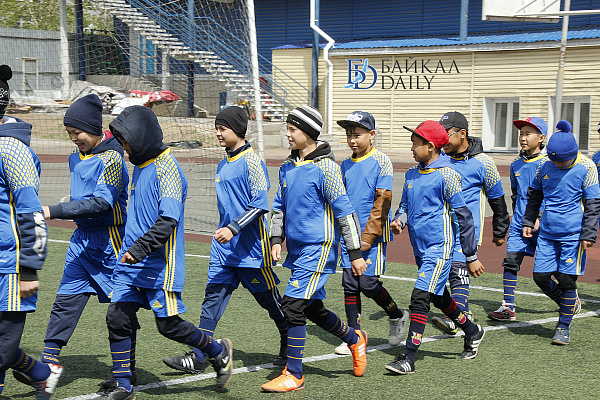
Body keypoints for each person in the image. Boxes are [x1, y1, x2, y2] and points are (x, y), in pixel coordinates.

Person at [105, 106, 233, 400]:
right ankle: (123, 382)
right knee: (117, 316)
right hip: (130, 261)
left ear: (141, 137)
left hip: (160, 264)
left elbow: (168, 220)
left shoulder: (168, 169)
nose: (124, 148)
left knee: (168, 326)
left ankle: (217, 351)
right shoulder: (140, 165)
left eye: (126, 142)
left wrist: (140, 249)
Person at [11, 94, 134, 393]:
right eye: (69, 133)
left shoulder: (112, 159)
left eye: (78, 132)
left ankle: (125, 377)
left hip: (111, 242)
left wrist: (53, 210)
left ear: (93, 128)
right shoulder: (75, 157)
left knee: (120, 313)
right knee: (65, 301)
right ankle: (48, 366)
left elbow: (102, 203)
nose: (74, 138)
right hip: (81, 242)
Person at [163, 106, 287, 374]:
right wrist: (226, 231)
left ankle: (291, 343)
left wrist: (233, 228)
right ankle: (198, 356)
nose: (218, 133)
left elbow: (259, 205)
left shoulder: (252, 161)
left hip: (251, 251)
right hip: (224, 250)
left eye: (223, 128)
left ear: (238, 130)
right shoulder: (222, 163)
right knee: (212, 301)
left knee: (270, 302)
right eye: (217, 128)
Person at [261, 106, 368, 392]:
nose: (287, 134)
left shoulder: (327, 169)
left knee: (292, 306)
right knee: (312, 309)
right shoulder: (287, 166)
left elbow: (345, 212)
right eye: (287, 128)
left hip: (319, 248)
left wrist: (354, 253)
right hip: (297, 251)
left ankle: (294, 373)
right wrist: (276, 239)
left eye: (292, 129)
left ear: (308, 133)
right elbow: (279, 207)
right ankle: (355, 339)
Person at [385, 120, 486, 375]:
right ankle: (472, 331)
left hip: (440, 249)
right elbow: (404, 206)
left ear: (430, 146)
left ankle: (408, 357)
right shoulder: (411, 174)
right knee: (440, 298)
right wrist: (399, 221)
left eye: (415, 143)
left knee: (420, 297)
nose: (411, 148)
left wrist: (471, 255)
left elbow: (464, 217)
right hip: (420, 249)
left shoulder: (447, 175)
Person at [0, 64, 62, 399]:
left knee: (2, 349)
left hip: (9, 268)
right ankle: (42, 374)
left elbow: (31, 214)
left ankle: (42, 374)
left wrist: (28, 269)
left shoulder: (12, 150)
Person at [332, 111, 408, 356]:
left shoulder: (382, 161)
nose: (352, 140)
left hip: (372, 235)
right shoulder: (345, 164)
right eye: (349, 135)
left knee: (368, 283)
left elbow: (382, 201)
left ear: (371, 135)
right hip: (349, 234)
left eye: (357, 134)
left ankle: (396, 315)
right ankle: (353, 337)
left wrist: (367, 237)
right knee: (349, 285)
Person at [430, 111, 509, 335]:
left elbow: (497, 198)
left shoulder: (483, 162)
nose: (442, 139)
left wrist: (500, 230)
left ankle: (456, 316)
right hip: (440, 228)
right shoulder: (438, 159)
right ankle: (461, 313)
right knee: (440, 273)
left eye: (446, 134)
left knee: (458, 270)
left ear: (463, 133)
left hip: (467, 230)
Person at [522, 120, 600, 345]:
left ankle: (563, 327)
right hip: (547, 233)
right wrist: (529, 220)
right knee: (540, 277)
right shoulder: (544, 166)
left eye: (562, 161)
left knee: (566, 280)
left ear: (573, 155)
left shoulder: (587, 167)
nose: (558, 164)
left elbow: (593, 204)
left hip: (573, 236)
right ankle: (568, 304)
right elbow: (535, 195)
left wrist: (588, 233)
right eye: (554, 160)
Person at [487, 117, 548, 321]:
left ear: (541, 138)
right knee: (510, 261)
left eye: (528, 134)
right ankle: (508, 307)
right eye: (521, 134)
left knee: (549, 271)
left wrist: (538, 216)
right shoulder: (516, 164)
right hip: (520, 223)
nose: (523, 138)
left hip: (544, 224)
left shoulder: (549, 164)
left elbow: (551, 195)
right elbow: (515, 195)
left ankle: (567, 299)